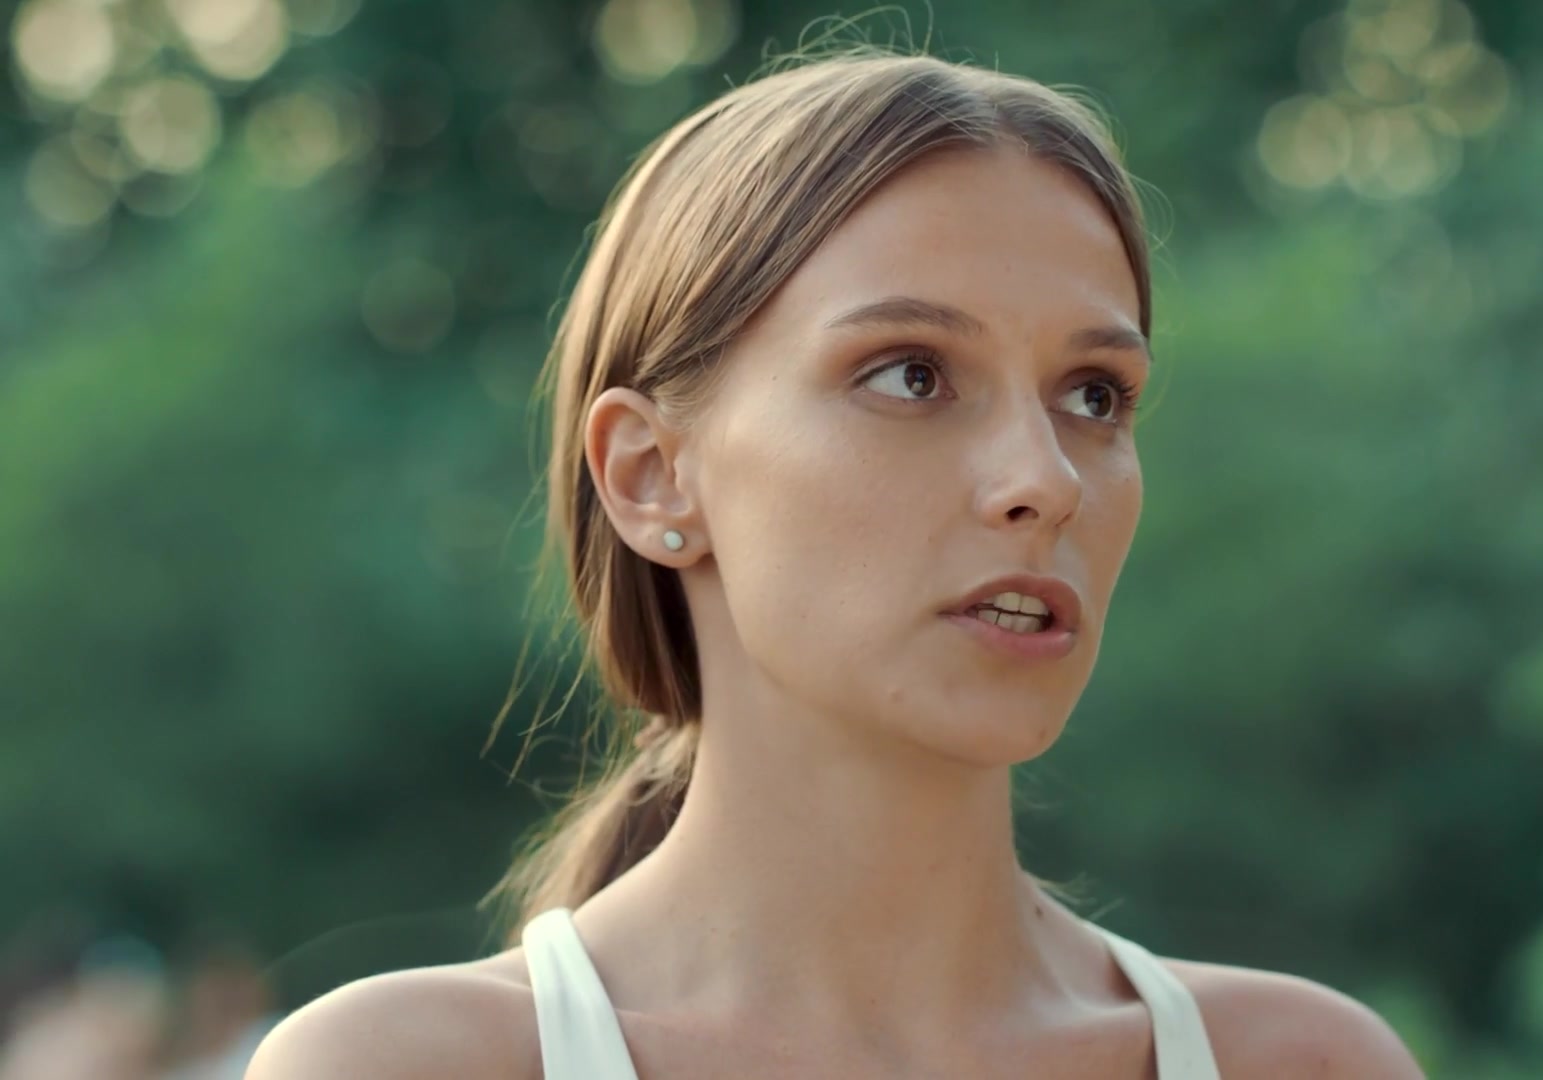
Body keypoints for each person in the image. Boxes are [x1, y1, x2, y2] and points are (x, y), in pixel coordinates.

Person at [245, 45, 1425, 1079]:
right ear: (652, 474)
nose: (1046, 479)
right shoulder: (408, 1068)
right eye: (912, 374)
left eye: (1093, 395)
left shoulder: (1306, 1067)